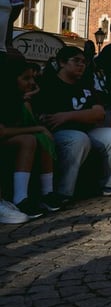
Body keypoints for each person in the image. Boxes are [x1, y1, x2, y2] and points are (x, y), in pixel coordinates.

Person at [33, 46, 111, 200]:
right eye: (76, 61)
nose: (81, 65)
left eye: (84, 62)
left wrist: (67, 116)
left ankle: (110, 184)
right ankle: (63, 192)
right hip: (60, 135)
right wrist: (84, 115)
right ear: (62, 63)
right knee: (78, 139)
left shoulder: (84, 84)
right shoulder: (48, 84)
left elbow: (99, 113)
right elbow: (49, 119)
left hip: (86, 131)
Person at [0, 58, 63, 218]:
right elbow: (3, 131)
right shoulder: (4, 99)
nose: (32, 82)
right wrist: (39, 128)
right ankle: (20, 197)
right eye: (26, 78)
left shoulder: (20, 98)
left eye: (32, 78)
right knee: (30, 139)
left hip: (10, 139)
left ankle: (47, 193)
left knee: (42, 138)